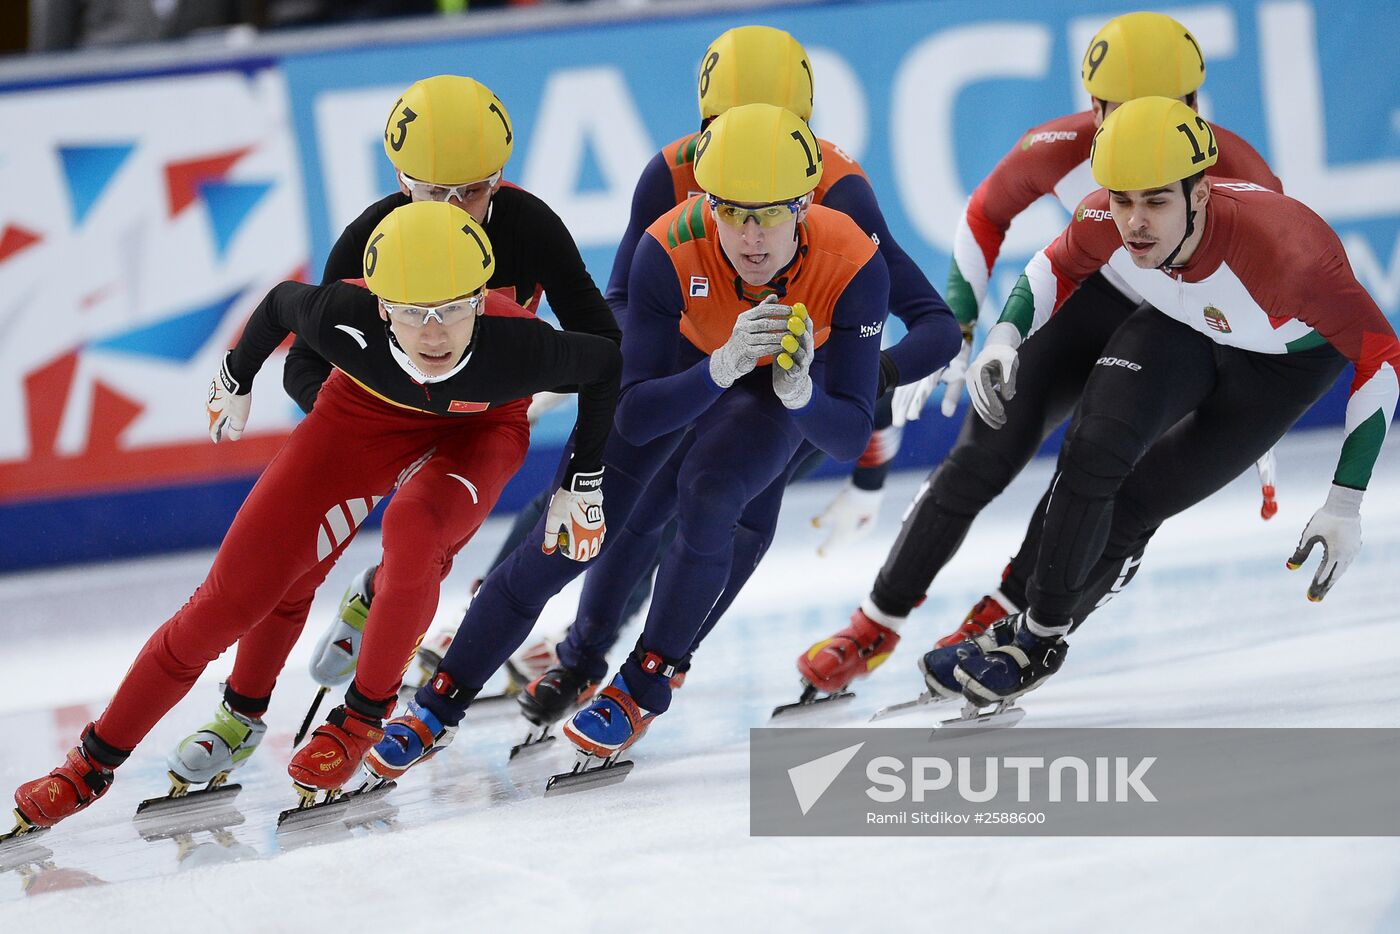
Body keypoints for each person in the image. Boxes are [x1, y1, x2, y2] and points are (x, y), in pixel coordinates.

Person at [7, 201, 621, 835]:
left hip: (481, 430)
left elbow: (606, 365)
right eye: (413, 313)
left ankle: (360, 719)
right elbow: (277, 304)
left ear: (480, 299)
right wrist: (235, 376)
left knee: (415, 529)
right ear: (381, 306)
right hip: (363, 414)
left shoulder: (520, 343)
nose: (434, 333)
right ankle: (91, 763)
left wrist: (583, 478)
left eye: (454, 310)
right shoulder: (341, 314)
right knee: (227, 601)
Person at [369, 103, 891, 776]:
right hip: (685, 368)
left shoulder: (853, 260)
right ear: (706, 202)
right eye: (732, 212)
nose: (752, 236)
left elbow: (848, 432)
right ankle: (439, 704)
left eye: (770, 214)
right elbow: (638, 415)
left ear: (804, 204)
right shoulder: (670, 246)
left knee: (709, 493)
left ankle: (648, 678)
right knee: (562, 539)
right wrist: (719, 367)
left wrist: (800, 394)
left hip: (775, 391)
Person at [795, 12, 1287, 701]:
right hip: (1100, 295)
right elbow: (984, 212)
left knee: (1091, 463)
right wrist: (963, 321)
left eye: (1162, 114)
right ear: (1094, 111)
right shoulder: (1061, 146)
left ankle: (1003, 613)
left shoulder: (1239, 174)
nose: (1143, 134)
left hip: (1183, 328)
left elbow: (1280, 297)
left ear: (1195, 108)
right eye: (1122, 117)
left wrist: (1254, 402)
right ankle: (877, 620)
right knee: (983, 453)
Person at [506, 24, 959, 731]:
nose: (744, 159)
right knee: (638, 499)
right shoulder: (669, 174)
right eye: (723, 133)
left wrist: (862, 384)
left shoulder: (839, 193)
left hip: (785, 378)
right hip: (704, 358)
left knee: (723, 501)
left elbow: (931, 323)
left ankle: (651, 670)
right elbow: (624, 298)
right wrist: (599, 362)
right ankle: (579, 654)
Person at [921, 95, 1397, 707]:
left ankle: (1035, 640)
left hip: (1282, 367)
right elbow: (1055, 265)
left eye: (1156, 201)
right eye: (1122, 200)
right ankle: (1022, 627)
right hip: (1183, 322)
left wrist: (1345, 503)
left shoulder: (1289, 257)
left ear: (1200, 194)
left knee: (1139, 502)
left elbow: (1382, 355)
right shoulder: (1104, 216)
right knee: (1091, 450)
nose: (1135, 223)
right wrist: (1005, 337)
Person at [217, 73, 621, 737]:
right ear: (405, 183)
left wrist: (557, 406)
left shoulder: (531, 226)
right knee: (300, 556)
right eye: (437, 191)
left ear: (499, 176)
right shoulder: (374, 236)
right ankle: (238, 712)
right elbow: (306, 361)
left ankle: (383, 598)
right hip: (379, 419)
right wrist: (368, 432)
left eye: (474, 190)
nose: (456, 206)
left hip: (481, 420)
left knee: (427, 532)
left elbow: (602, 342)